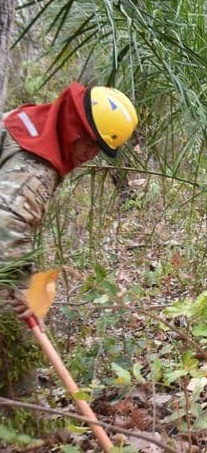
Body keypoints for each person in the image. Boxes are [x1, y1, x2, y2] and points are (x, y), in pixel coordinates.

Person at [0, 82, 138, 396]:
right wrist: (20, 290)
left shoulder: (32, 122)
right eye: (90, 144)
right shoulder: (34, 168)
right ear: (75, 129)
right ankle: (23, 415)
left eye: (98, 149)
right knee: (15, 328)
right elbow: (6, 228)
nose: (90, 156)